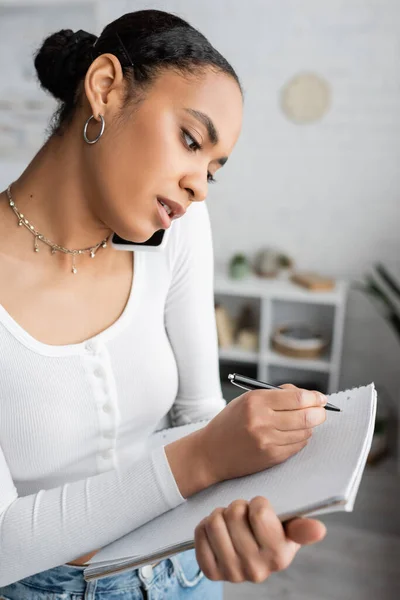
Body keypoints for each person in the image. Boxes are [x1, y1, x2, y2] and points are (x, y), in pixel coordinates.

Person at [0, 9, 327, 599]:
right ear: (105, 88)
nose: (199, 183)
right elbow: (3, 542)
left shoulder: (177, 232)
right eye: (190, 140)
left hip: (182, 572)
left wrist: (234, 518)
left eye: (213, 169)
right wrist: (204, 458)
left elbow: (199, 413)